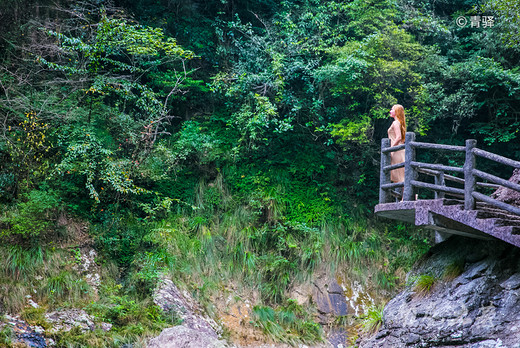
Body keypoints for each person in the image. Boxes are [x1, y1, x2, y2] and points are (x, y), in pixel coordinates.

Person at [388, 104, 406, 184]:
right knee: (399, 175)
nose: (390, 111)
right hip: (399, 150)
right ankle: (405, 196)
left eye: (392, 109)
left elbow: (398, 137)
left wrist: (391, 148)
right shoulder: (399, 123)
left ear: (397, 112)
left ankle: (408, 196)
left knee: (399, 175)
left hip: (396, 151)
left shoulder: (395, 123)